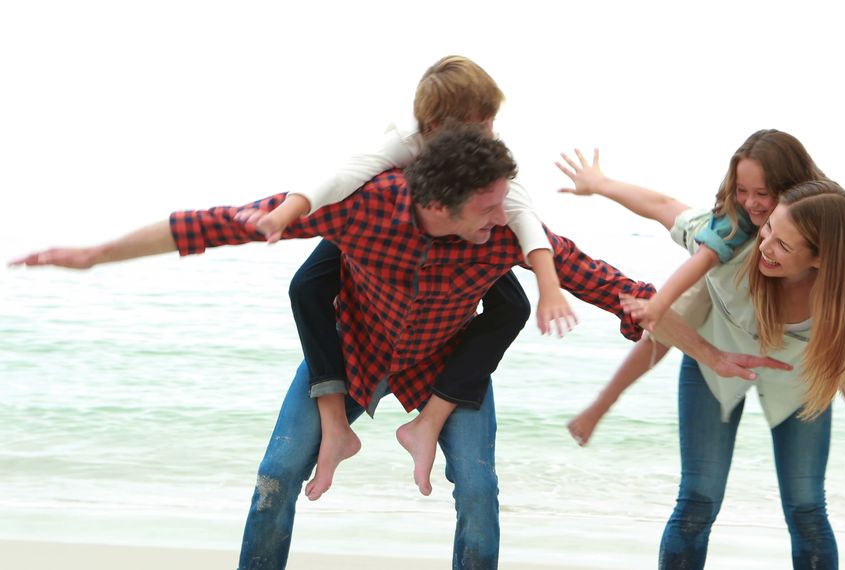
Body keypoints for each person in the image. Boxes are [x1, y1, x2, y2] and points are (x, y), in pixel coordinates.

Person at [10, 125, 789, 570]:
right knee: (278, 475)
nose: (509, 221)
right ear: (436, 204)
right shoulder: (365, 208)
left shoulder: (505, 235)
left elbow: (624, 294)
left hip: (440, 366)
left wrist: (711, 355)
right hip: (350, 354)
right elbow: (213, 224)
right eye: (489, 209)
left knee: (478, 489)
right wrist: (92, 254)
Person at [234, 55, 578, 500]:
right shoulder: (406, 142)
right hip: (387, 234)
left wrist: (550, 286)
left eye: (493, 121)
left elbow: (522, 212)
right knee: (308, 284)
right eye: (482, 123)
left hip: (460, 242)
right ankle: (335, 424)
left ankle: (426, 422)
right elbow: (341, 177)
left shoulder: (484, 162)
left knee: (512, 304)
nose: (492, 132)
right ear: (435, 126)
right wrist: (284, 214)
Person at [559, 138, 845, 490]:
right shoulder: (728, 231)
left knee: (843, 331)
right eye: (742, 191)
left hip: (801, 359)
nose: (750, 204)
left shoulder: (841, 245)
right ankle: (604, 401)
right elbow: (662, 205)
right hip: (718, 327)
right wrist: (600, 184)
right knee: (684, 305)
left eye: (761, 194)